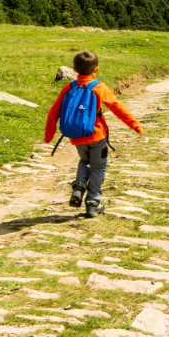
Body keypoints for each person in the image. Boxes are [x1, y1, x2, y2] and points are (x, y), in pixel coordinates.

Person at [44, 50, 142, 219]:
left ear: (74, 69)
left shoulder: (68, 88)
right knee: (98, 167)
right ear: (96, 69)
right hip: (97, 136)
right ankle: (92, 203)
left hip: (77, 137)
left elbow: (53, 112)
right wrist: (134, 124)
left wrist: (49, 135)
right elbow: (117, 107)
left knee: (84, 160)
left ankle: (80, 184)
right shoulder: (99, 87)